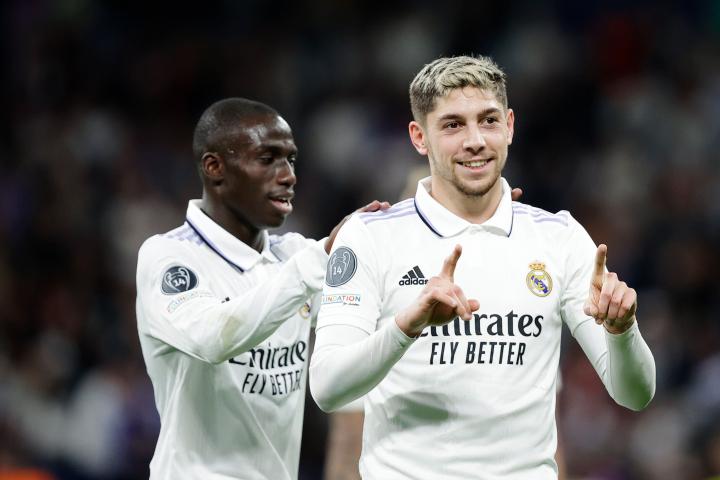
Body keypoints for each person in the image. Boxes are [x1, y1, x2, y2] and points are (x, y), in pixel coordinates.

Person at [309, 55, 656, 479]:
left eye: (488, 121)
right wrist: (406, 327)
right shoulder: (371, 236)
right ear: (419, 137)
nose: (474, 140)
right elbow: (327, 388)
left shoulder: (559, 238)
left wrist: (622, 332)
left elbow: (634, 395)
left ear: (509, 126)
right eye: (453, 125)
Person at [135, 97, 389, 480]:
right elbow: (212, 337)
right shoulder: (169, 256)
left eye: (291, 159)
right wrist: (319, 260)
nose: (288, 176)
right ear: (214, 168)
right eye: (267, 159)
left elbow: (371, 319)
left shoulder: (294, 255)